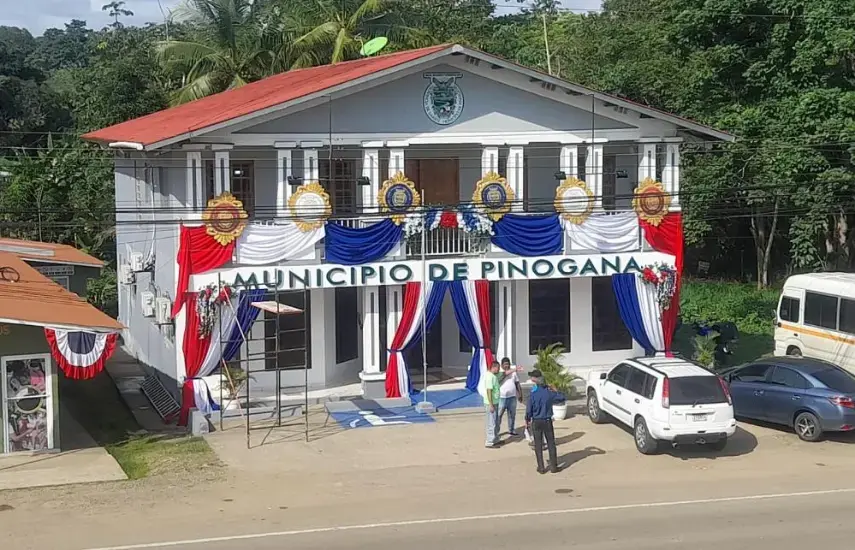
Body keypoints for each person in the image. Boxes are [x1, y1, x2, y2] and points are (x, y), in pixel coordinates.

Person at [525, 369, 566, 474]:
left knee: (538, 445)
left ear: (535, 380)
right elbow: (562, 398)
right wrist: (555, 389)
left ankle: (541, 467)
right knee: (551, 443)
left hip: (536, 421)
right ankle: (553, 467)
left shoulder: (533, 393)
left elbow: (529, 409)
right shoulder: (549, 393)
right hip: (547, 420)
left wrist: (527, 419)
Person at [497, 357, 523, 436]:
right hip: (502, 398)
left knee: (512, 415)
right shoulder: (499, 373)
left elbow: (517, 383)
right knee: (499, 415)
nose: (506, 366)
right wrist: (512, 370)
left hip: (512, 397)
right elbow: (501, 378)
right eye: (505, 364)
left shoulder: (514, 373)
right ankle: (496, 431)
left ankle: (511, 430)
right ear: (501, 365)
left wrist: (520, 394)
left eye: (508, 364)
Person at [483, 360, 501, 448]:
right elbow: (489, 390)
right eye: (498, 368)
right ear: (494, 367)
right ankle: (490, 441)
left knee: (496, 421)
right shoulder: (490, 377)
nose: (499, 369)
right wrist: (491, 404)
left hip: (495, 402)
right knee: (491, 422)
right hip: (491, 403)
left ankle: (495, 439)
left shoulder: (493, 376)